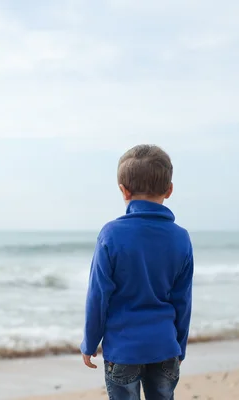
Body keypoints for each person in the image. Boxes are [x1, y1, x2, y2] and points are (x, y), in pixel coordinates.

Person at [80, 144, 193, 400]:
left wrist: (89, 342)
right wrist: (180, 347)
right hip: (165, 347)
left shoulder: (111, 234)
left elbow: (98, 296)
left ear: (124, 190)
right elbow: (182, 300)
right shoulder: (181, 238)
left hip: (123, 349)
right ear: (169, 190)